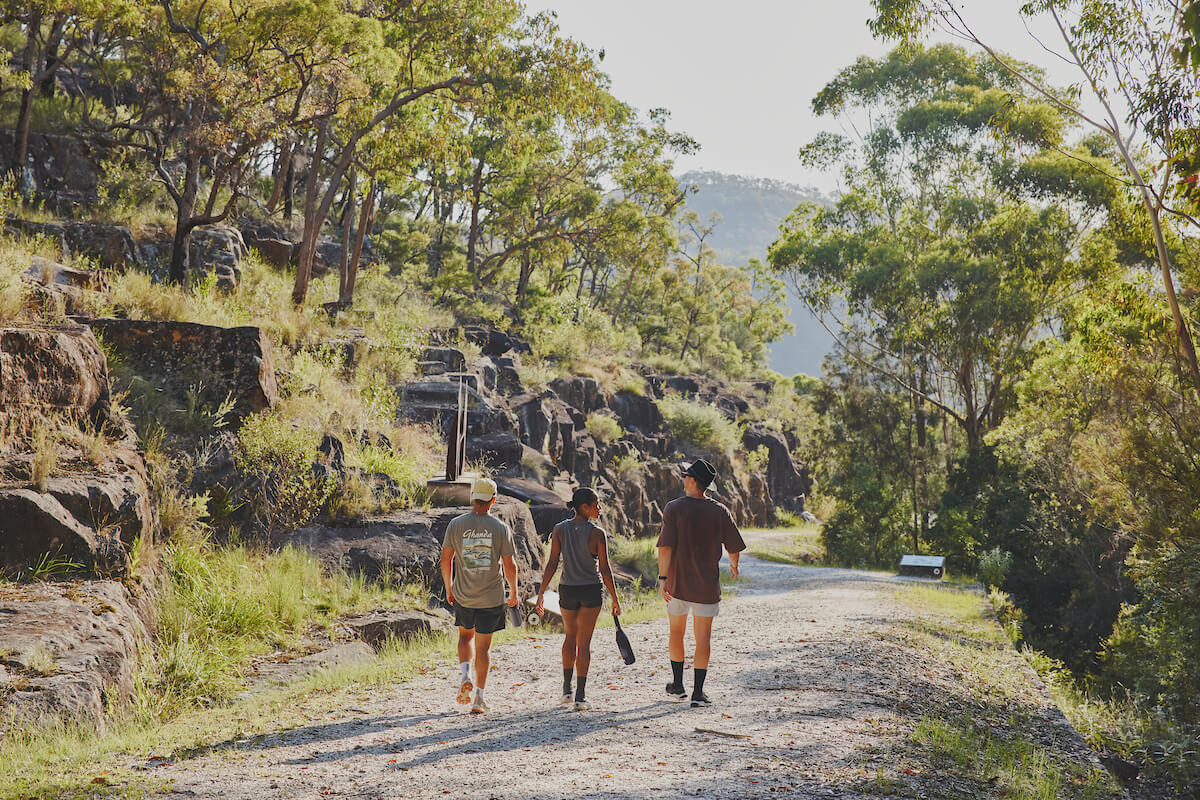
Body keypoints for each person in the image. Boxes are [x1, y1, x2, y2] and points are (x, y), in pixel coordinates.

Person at [656, 459, 746, 707]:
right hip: (707, 586)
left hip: (677, 584)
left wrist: (663, 579)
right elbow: (734, 547)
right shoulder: (719, 511)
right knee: (703, 637)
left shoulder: (673, 509)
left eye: (686, 476)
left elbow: (665, 547)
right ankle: (698, 693)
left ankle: (678, 687)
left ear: (693, 481)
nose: (683, 479)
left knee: (676, 632)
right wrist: (734, 566)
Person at [534, 487, 622, 711]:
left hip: (568, 591)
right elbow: (604, 570)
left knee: (570, 638)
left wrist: (542, 593)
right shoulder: (597, 534)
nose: (600, 508)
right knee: (584, 643)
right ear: (585, 507)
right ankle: (580, 697)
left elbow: (552, 563)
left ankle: (566, 690)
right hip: (591, 591)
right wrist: (615, 598)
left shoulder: (560, 529)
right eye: (597, 504)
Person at [440, 477, 519, 714]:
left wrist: (449, 587)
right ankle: (479, 699)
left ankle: (464, 674)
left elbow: (446, 560)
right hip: (491, 598)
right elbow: (510, 565)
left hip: (464, 595)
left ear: (472, 498)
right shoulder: (500, 528)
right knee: (484, 649)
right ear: (493, 500)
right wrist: (513, 592)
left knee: (465, 638)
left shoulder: (455, 524)